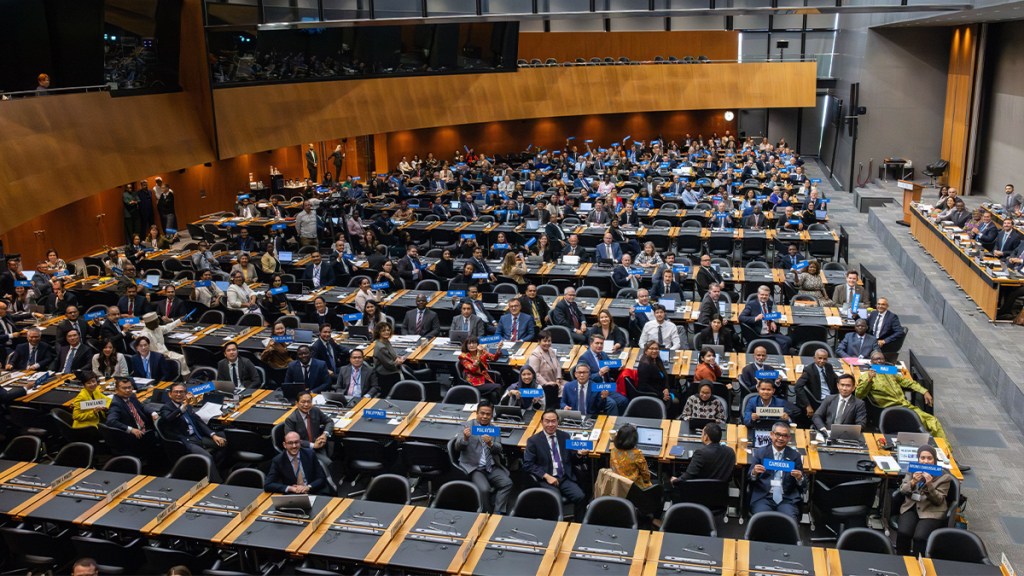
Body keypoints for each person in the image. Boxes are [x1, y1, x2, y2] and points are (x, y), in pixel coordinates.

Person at [857, 350, 945, 439]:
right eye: (877, 359)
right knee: (930, 422)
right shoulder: (865, 376)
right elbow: (859, 395)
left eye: (882, 359)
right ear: (871, 362)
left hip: (906, 405)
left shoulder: (889, 372)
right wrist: (869, 380)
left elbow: (907, 382)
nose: (880, 361)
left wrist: (924, 391)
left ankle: (943, 448)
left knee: (933, 421)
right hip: (890, 409)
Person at [453, 400, 514, 514]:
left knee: (507, 483)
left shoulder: (495, 429)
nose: (485, 416)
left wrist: (491, 444)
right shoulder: (467, 425)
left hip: (491, 466)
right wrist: (465, 439)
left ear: (492, 415)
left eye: (488, 414)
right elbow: (457, 447)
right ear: (477, 413)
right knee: (484, 489)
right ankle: (485, 512)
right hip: (474, 467)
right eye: (482, 413)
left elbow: (499, 448)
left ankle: (497, 513)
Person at [160, 382, 228, 478]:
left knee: (225, 441)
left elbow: (198, 421)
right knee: (207, 457)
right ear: (170, 394)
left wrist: (213, 435)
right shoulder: (166, 408)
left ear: (186, 394)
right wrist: (182, 407)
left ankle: (215, 470)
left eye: (181, 392)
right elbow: (169, 418)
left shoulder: (186, 405)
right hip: (186, 441)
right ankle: (216, 482)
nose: (179, 394)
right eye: (176, 392)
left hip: (197, 436)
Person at [523, 409, 588, 509]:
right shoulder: (533, 441)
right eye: (547, 421)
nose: (550, 424)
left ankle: (578, 524)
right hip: (546, 479)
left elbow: (572, 459)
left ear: (558, 422)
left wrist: (579, 455)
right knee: (556, 502)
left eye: (553, 421)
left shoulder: (565, 436)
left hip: (564, 477)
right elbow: (528, 465)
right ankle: (558, 524)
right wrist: (546, 476)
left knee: (581, 497)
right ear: (541, 422)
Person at [896, 445, 952, 555]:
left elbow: (938, 500)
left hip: (931, 510)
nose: (925, 461)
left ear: (934, 460)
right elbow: (902, 490)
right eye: (922, 458)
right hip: (912, 506)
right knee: (903, 532)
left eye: (929, 458)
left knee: (920, 537)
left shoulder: (944, 477)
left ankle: (919, 564)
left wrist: (929, 485)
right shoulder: (912, 470)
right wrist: (912, 482)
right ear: (918, 459)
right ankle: (901, 560)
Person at [748, 421, 807, 521]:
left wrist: (800, 478)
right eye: (778, 434)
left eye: (784, 436)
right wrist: (754, 473)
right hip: (764, 497)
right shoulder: (760, 453)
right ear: (771, 435)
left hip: (786, 498)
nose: (780, 438)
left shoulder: (795, 456)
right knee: (761, 521)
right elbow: (749, 478)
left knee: (789, 522)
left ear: (789, 438)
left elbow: (803, 485)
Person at [106, 377, 160, 458]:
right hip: (135, 437)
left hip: (146, 427)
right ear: (116, 390)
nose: (128, 390)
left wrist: (153, 412)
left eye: (129, 387)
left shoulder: (132, 396)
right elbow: (111, 421)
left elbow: (142, 407)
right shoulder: (116, 404)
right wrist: (131, 429)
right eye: (124, 388)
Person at [284, 390, 335, 473]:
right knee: (327, 464)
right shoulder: (291, 419)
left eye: (309, 402)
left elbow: (329, 421)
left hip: (319, 446)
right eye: (303, 402)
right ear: (297, 403)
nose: (306, 405)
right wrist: (312, 445)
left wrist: (325, 434)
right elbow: (291, 441)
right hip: (302, 450)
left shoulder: (315, 411)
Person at [266, 431, 331, 496]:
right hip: (293, 495)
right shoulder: (278, 460)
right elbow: (268, 484)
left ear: (300, 443)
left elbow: (321, 478)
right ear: (284, 445)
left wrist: (308, 487)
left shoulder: (310, 454)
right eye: (290, 443)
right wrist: (291, 488)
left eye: (296, 442)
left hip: (313, 491)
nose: (294, 446)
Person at [670, 423, 735, 486]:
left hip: (700, 490)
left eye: (702, 433)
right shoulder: (730, 452)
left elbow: (688, 476)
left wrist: (675, 481)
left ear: (706, 437)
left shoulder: (700, 453)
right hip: (721, 492)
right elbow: (730, 477)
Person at [739, 285, 793, 353]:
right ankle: (782, 358)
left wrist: (771, 321)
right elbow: (741, 317)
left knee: (789, 340)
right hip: (759, 334)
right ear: (758, 294)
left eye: (766, 295)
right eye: (762, 294)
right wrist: (756, 318)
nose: (764, 297)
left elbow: (767, 314)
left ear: (769, 295)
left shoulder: (769, 302)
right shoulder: (751, 304)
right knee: (784, 343)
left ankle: (783, 353)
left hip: (768, 331)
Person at [138, 311, 189, 376]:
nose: (158, 322)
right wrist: (162, 355)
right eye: (156, 321)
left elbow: (167, 327)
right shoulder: (145, 335)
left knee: (182, 357)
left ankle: (185, 378)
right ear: (149, 324)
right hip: (156, 357)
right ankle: (182, 378)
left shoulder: (156, 327)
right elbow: (148, 352)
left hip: (165, 353)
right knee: (180, 358)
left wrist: (179, 320)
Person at [458, 336, 502, 403]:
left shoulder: (483, 352)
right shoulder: (463, 357)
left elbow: (493, 358)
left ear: (478, 344)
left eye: (474, 343)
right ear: (466, 345)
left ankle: (495, 406)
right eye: (469, 343)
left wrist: (498, 349)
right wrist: (478, 354)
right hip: (474, 383)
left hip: (484, 378)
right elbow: (473, 368)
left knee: (495, 392)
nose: (471, 345)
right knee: (498, 386)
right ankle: (500, 405)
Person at [609, 424, 652, 489]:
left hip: (618, 486)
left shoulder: (613, 450)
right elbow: (646, 475)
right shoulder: (636, 454)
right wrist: (647, 481)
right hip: (634, 488)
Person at [371, 323, 405, 396]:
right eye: (383, 331)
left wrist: (397, 358)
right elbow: (390, 365)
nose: (386, 332)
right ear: (378, 332)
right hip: (386, 374)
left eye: (388, 330)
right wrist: (398, 362)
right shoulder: (381, 347)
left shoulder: (386, 341)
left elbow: (391, 354)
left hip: (389, 369)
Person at [71, 370, 109, 435]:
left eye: (94, 381)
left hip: (98, 421)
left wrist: (105, 407)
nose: (92, 384)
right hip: (86, 428)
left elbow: (107, 400)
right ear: (84, 385)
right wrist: (93, 412)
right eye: (88, 383)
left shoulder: (95, 391)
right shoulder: (81, 397)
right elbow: (76, 416)